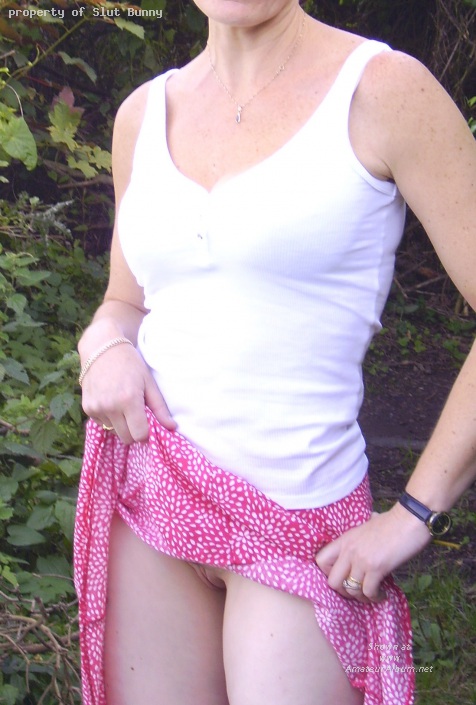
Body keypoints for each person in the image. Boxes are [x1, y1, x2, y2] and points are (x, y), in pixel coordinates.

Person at [74, 2, 476, 704]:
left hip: (299, 521)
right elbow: (124, 303)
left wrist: (417, 511)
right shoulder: (142, 113)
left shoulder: (382, 90)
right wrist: (103, 346)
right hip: (153, 498)